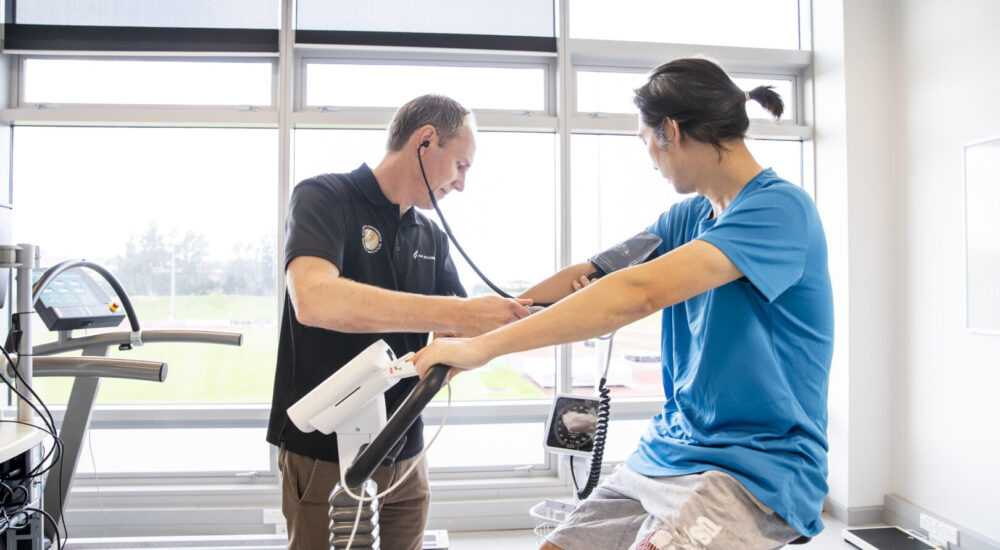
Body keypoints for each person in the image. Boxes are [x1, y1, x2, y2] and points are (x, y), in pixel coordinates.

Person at [414, 58, 834, 550]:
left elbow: (638, 291)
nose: (649, 158)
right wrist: (491, 316)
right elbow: (596, 272)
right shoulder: (689, 216)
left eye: (645, 140)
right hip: (671, 450)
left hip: (757, 468)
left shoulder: (779, 209)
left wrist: (485, 349)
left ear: (670, 131)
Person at [266, 94, 533, 550]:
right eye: (461, 166)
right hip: (324, 450)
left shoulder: (430, 235)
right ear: (426, 141)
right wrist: (456, 311)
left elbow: (461, 330)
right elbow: (313, 300)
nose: (462, 185)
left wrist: (550, 302)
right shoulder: (325, 197)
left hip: (406, 450)